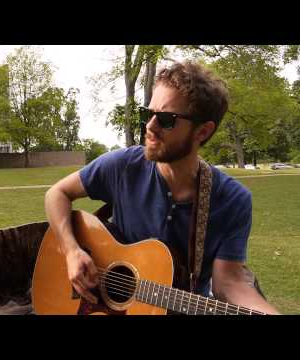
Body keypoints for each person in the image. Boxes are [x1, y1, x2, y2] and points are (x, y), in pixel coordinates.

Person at [44, 61, 280, 315]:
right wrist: (71, 251)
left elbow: (229, 283)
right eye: (149, 114)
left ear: (202, 131)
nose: (150, 126)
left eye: (166, 119)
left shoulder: (231, 200)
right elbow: (56, 194)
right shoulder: (123, 165)